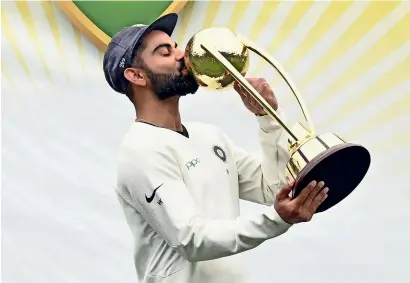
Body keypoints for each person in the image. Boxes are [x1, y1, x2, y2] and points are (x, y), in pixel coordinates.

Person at [103, 13, 328, 283]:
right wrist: (276, 220)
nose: (181, 55)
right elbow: (191, 239)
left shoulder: (209, 136)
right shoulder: (140, 152)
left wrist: (267, 118)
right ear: (136, 75)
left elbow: (271, 187)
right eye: (165, 52)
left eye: (176, 46)